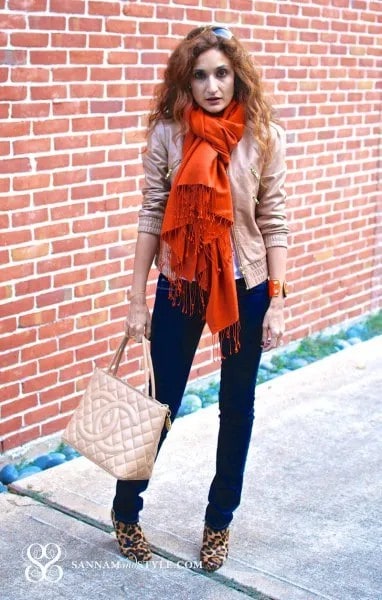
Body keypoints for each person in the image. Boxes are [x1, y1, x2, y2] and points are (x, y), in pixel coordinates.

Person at [111, 25, 288, 572]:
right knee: (158, 404)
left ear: (237, 76)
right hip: (182, 283)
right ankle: (125, 511)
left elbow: (274, 220)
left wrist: (277, 301)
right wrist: (137, 301)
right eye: (200, 75)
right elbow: (149, 215)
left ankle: (219, 522)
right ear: (186, 82)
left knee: (238, 408)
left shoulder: (263, 135)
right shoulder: (169, 134)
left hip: (247, 287)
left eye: (222, 73)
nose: (213, 86)